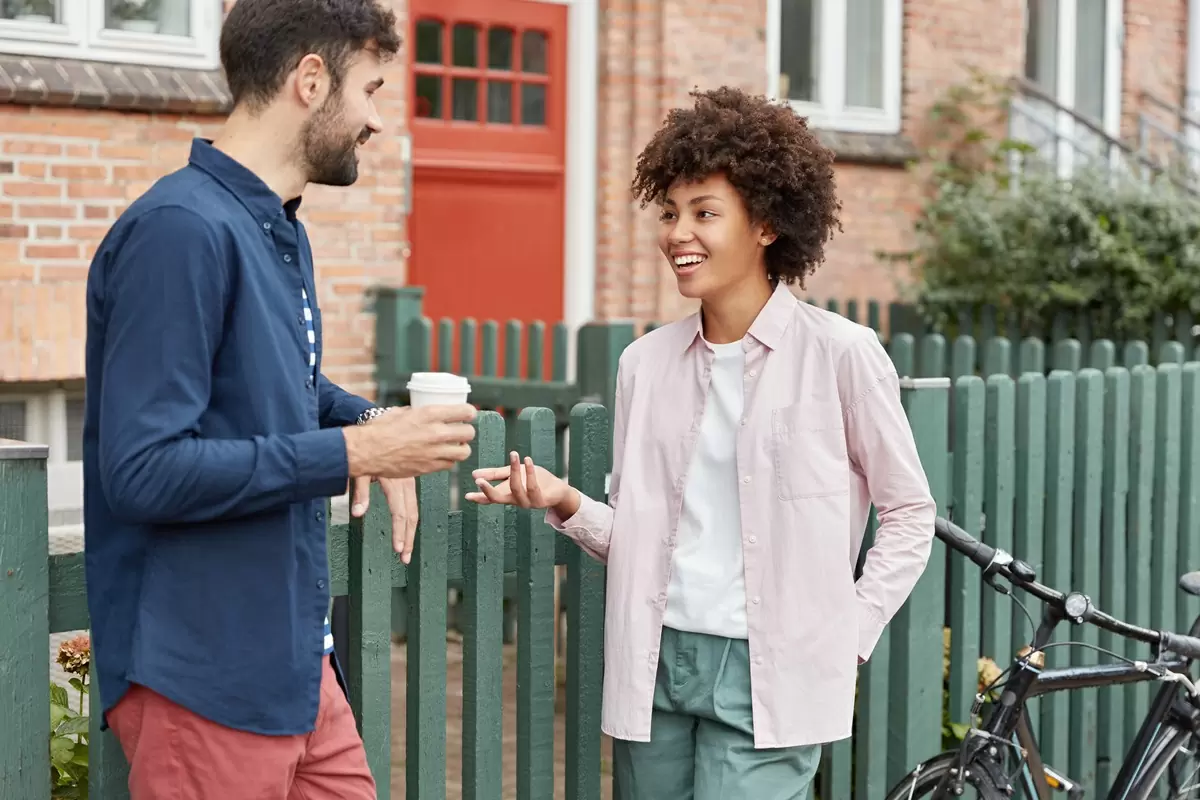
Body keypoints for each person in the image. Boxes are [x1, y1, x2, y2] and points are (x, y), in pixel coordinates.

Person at [466, 86, 938, 799]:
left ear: (767, 225)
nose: (677, 233)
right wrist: (564, 501)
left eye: (704, 213)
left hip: (769, 669)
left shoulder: (842, 355)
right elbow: (643, 534)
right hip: (655, 661)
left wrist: (850, 629)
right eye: (670, 212)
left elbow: (909, 515)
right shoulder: (644, 365)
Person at [81, 1, 477, 797]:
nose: (376, 122)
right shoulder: (179, 231)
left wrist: (369, 420)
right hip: (201, 683)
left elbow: (279, 382)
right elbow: (144, 470)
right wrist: (356, 453)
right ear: (309, 80)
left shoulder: (274, 226)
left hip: (296, 671)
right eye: (369, 90)